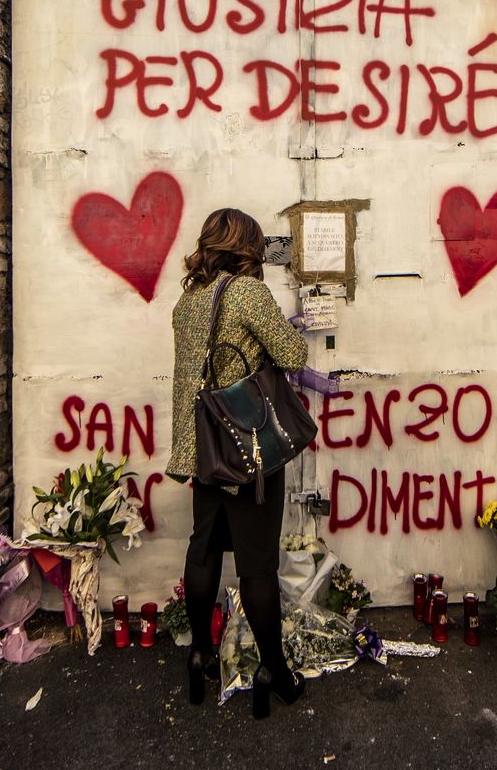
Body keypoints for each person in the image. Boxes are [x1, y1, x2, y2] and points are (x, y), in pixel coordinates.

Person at [167, 208, 309, 718]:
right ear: (247, 246)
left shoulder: (188, 301)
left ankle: (198, 656)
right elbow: (292, 354)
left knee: (203, 551)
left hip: (202, 450)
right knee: (257, 564)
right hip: (247, 451)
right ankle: (274, 670)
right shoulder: (247, 293)